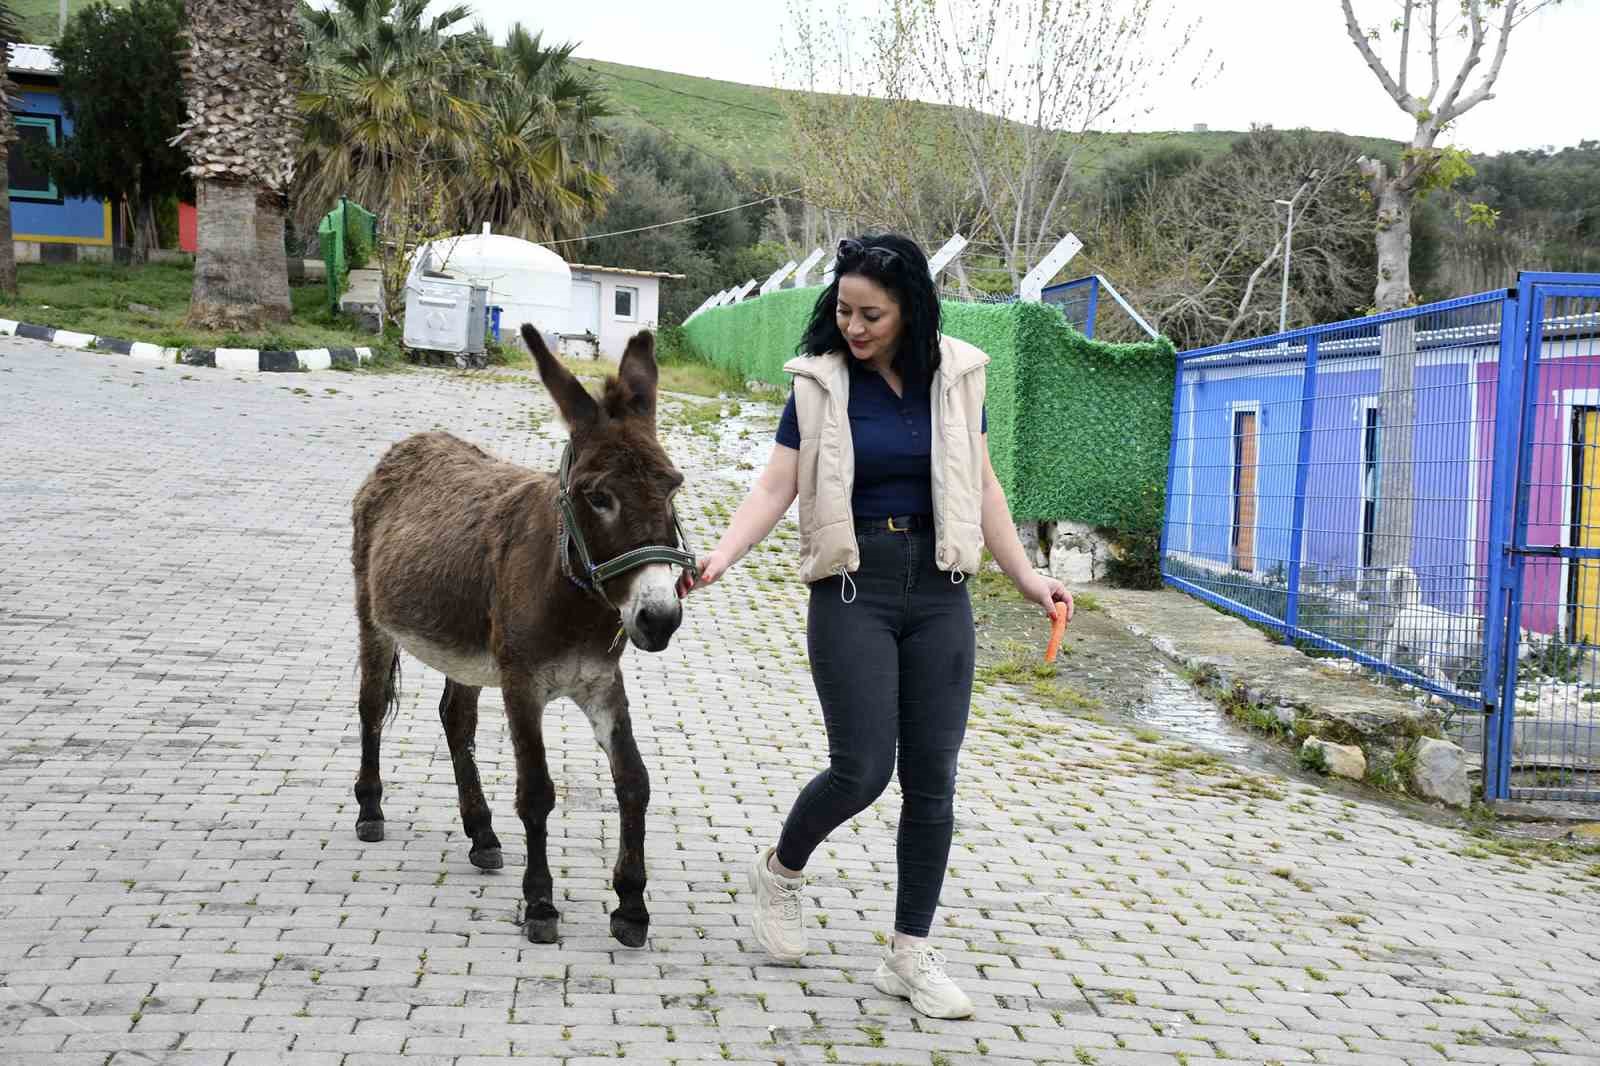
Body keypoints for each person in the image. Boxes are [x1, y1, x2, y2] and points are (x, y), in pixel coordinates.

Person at [678, 233, 1072, 1019]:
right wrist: (720, 555)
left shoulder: (959, 375)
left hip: (941, 592)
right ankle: (782, 871)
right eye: (845, 311)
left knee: (934, 782)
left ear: (911, 311)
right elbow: (775, 486)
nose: (853, 328)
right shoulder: (819, 383)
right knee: (861, 770)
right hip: (852, 589)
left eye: (872, 315)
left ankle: (911, 955)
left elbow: (985, 485)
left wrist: (1027, 576)